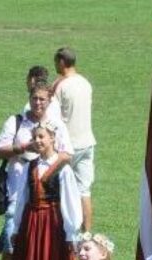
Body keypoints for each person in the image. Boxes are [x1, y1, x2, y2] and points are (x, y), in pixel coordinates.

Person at [0, 81, 74, 260]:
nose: (38, 103)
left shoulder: (56, 126)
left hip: (44, 192)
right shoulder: (16, 121)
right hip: (18, 188)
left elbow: (67, 153)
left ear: (49, 101)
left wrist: (47, 167)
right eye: (35, 98)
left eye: (42, 99)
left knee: (44, 253)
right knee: (10, 240)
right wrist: (23, 148)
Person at [5, 123, 82, 260]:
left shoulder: (63, 168)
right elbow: (22, 197)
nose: (38, 141)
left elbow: (70, 201)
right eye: (35, 137)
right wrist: (17, 227)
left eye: (42, 137)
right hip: (33, 221)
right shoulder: (31, 166)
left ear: (52, 139)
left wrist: (71, 232)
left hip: (54, 222)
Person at [53, 47, 96, 232]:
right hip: (87, 143)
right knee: (84, 191)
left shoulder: (61, 86)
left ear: (62, 62)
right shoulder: (86, 83)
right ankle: (86, 235)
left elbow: (53, 116)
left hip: (68, 147)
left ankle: (63, 233)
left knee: (59, 191)